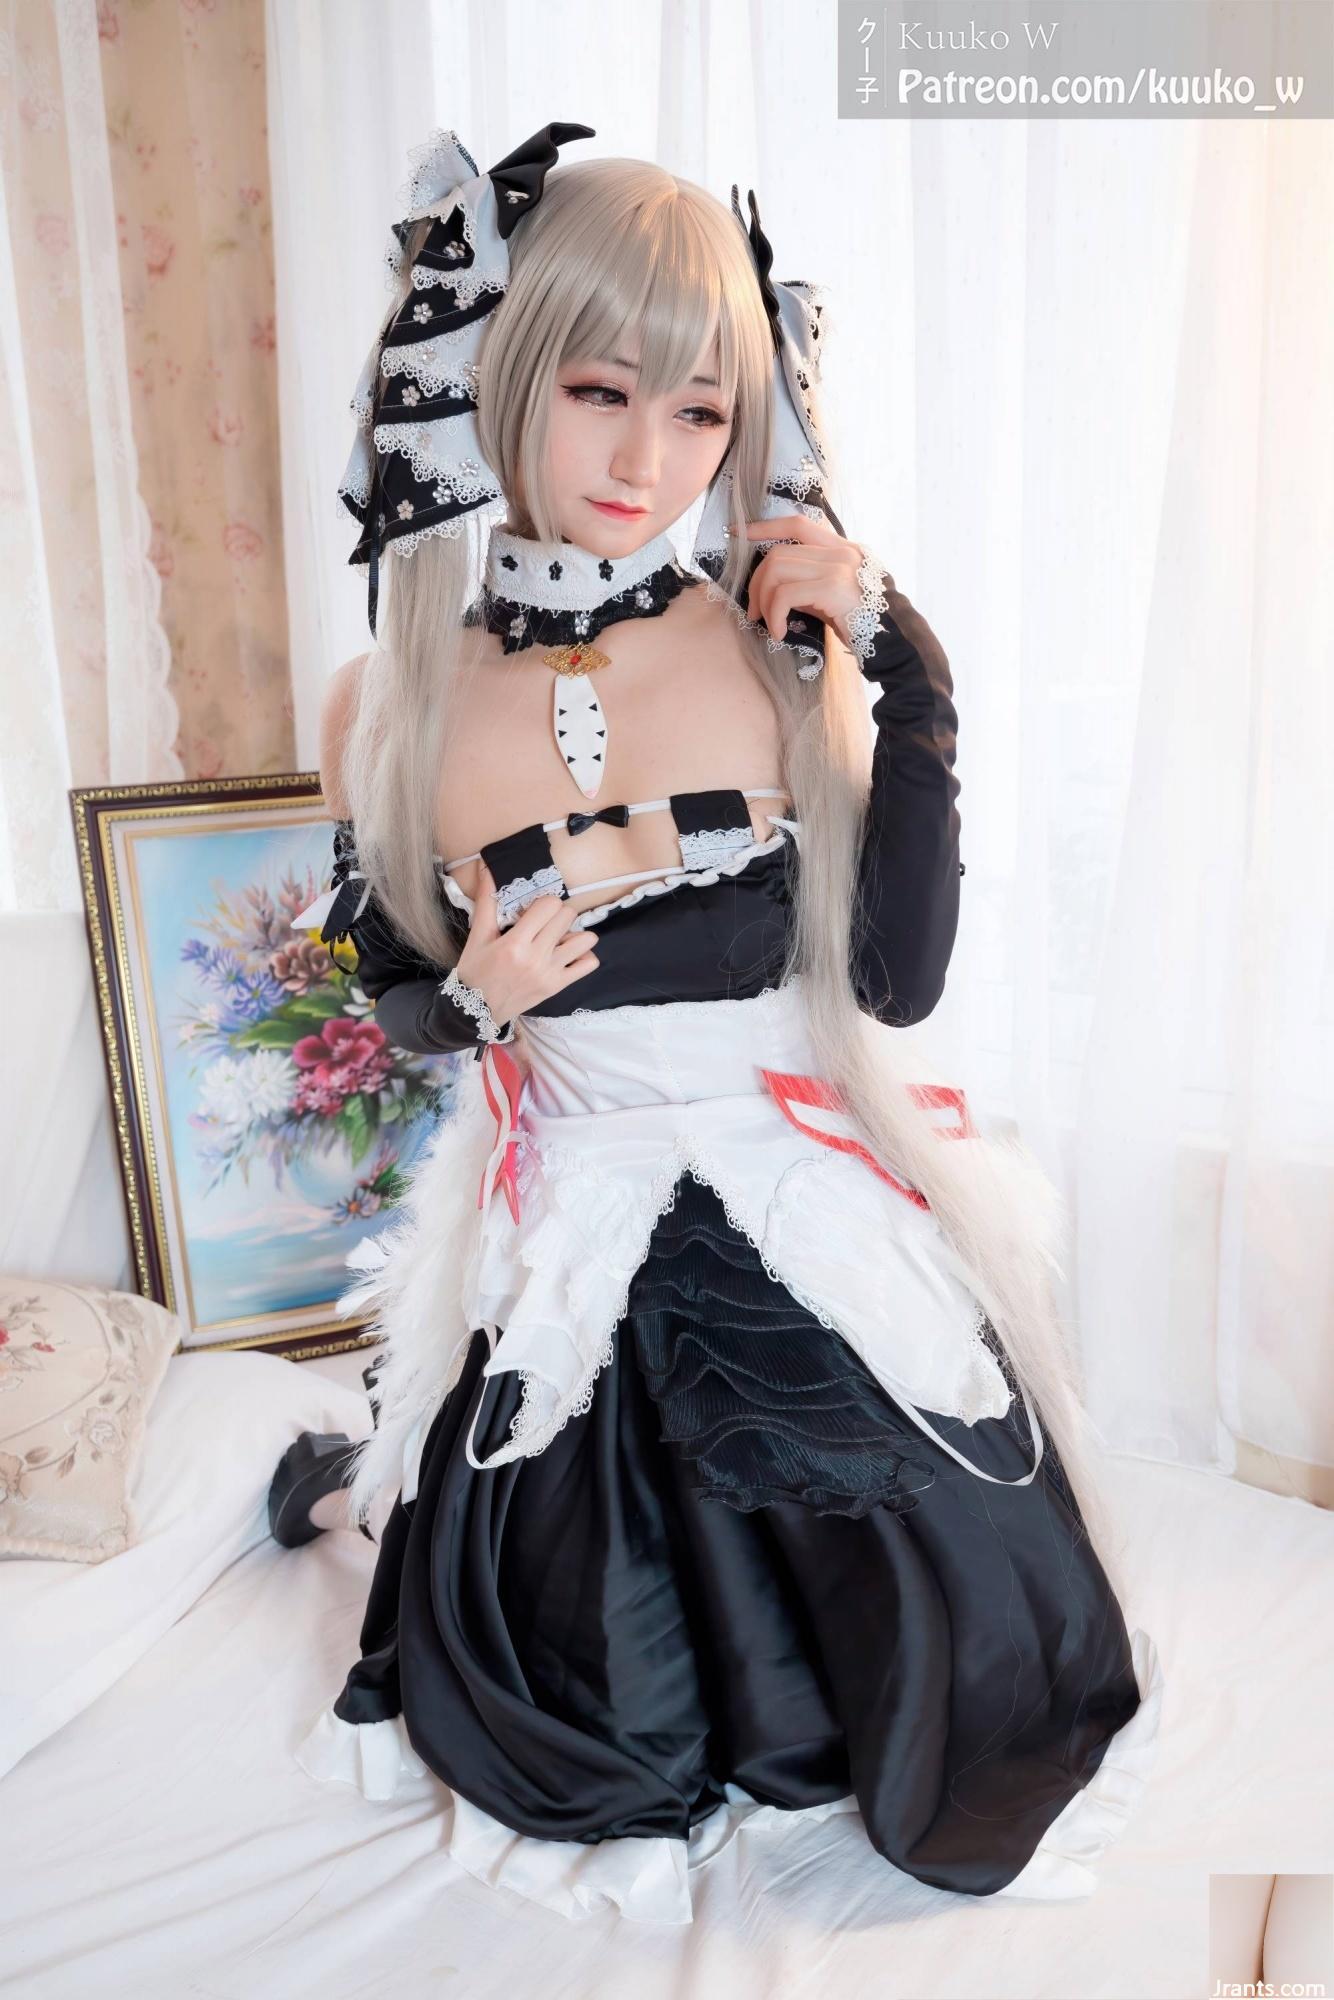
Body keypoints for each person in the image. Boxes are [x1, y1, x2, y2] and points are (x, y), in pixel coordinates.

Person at [277, 122, 1164, 1925]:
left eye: (699, 413)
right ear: (496, 375)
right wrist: (473, 997)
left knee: (953, 1654)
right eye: (600, 392)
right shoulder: (386, 700)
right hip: (571, 1210)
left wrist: (905, 677)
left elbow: (891, 983)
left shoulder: (780, 645)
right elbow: (399, 1002)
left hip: (797, 1187)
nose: (647, 462)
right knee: (579, 1698)